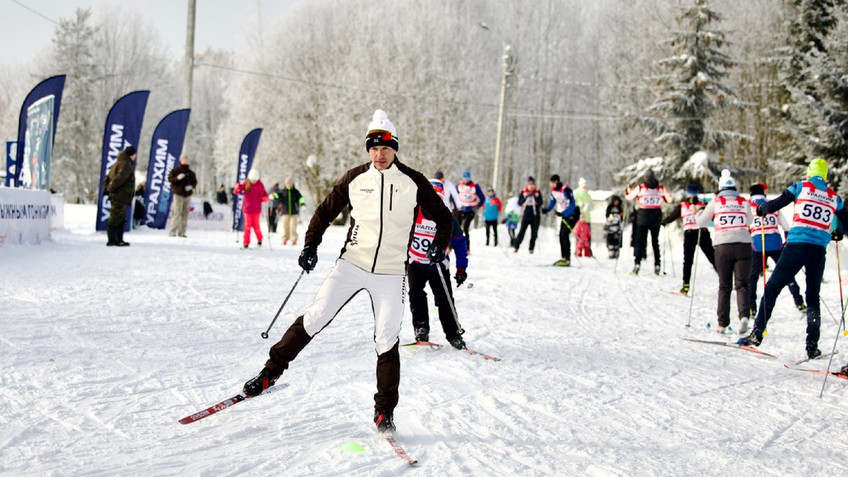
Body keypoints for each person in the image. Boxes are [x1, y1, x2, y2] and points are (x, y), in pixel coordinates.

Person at [242, 110, 453, 437]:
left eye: (385, 148)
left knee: (387, 338)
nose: (379, 155)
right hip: (351, 264)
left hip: (391, 272)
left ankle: (384, 412)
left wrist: (441, 244)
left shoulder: (413, 182)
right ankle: (270, 373)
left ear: (395, 148)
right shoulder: (355, 178)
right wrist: (310, 245)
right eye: (373, 148)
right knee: (314, 317)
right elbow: (324, 211)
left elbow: (444, 218)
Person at [739, 159, 848, 358]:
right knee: (813, 297)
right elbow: (845, 223)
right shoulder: (834, 197)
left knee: (772, 288)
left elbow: (777, 203)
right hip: (818, 251)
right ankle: (812, 346)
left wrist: (763, 209)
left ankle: (757, 333)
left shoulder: (801, 187)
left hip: (797, 246)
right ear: (824, 176)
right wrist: (838, 232)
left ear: (809, 173)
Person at [408, 179, 470, 349]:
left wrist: (461, 269)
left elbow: (460, 244)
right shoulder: (412, 212)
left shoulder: (448, 219)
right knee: (416, 294)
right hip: (416, 262)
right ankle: (421, 328)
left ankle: (454, 334)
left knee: (444, 300)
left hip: (438, 267)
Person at [695, 170, 752, 333]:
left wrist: (699, 213)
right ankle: (744, 317)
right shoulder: (743, 201)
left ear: (720, 188)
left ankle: (722, 324)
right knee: (742, 285)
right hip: (744, 245)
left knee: (724, 286)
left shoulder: (716, 202)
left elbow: (701, 222)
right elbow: (750, 220)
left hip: (723, 246)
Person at [747, 182, 806, 316]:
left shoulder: (748, 206)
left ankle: (751, 307)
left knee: (753, 277)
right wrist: (787, 240)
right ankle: (799, 301)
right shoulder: (772, 205)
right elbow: (785, 226)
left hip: (757, 245)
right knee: (787, 273)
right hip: (776, 244)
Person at [661, 184, 716, 295]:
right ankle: (686, 286)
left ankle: (686, 286)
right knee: (705, 258)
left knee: (703, 259)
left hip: (698, 233)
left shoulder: (700, 204)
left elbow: (672, 217)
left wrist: (664, 221)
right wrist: (665, 221)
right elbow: (672, 217)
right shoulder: (690, 205)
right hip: (696, 233)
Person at [625, 169, 673, 275]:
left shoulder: (641, 188)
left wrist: (628, 190)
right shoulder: (661, 188)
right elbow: (669, 200)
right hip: (656, 217)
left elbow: (629, 197)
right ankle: (657, 265)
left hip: (643, 217)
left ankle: (637, 264)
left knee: (640, 241)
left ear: (645, 178)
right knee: (655, 242)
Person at [103, 146, 137, 246]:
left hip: (118, 195)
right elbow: (120, 178)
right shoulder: (126, 164)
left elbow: (108, 177)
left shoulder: (118, 163)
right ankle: (113, 239)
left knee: (118, 217)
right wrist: (111, 188)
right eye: (134, 155)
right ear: (130, 155)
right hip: (120, 195)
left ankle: (117, 239)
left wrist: (107, 188)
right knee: (117, 217)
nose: (135, 157)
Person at [542, 174, 579, 266]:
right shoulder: (554, 191)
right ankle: (564, 257)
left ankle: (567, 258)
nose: (551, 185)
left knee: (564, 234)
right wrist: (547, 209)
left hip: (573, 213)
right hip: (565, 214)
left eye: (552, 183)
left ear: (556, 182)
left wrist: (564, 213)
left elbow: (573, 205)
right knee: (561, 235)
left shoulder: (566, 189)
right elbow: (552, 201)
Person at [233, 168, 269, 249]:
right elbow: (236, 191)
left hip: (256, 209)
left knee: (256, 226)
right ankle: (246, 243)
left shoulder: (260, 185)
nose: (253, 181)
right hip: (247, 209)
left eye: (255, 180)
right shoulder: (246, 183)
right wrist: (237, 186)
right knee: (247, 226)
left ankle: (260, 240)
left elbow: (265, 196)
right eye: (252, 179)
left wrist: (265, 198)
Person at [167, 154, 197, 238]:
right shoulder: (175, 171)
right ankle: (172, 231)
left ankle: (182, 231)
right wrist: (177, 178)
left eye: (187, 160)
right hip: (178, 194)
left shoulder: (191, 172)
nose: (185, 161)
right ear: (180, 160)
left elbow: (194, 182)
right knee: (177, 212)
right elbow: (170, 180)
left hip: (187, 194)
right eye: (184, 160)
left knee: (185, 213)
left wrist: (191, 187)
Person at [455, 170, 485, 252]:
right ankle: (453, 247)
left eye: (468, 178)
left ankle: (467, 248)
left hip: (470, 210)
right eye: (465, 178)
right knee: (457, 228)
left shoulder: (475, 186)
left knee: (465, 228)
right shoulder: (459, 185)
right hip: (461, 209)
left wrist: (478, 206)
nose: (466, 180)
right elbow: (453, 194)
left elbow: (482, 197)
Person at [512, 177, 544, 254]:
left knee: (534, 233)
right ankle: (516, 246)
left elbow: (540, 203)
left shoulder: (537, 192)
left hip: (535, 215)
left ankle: (531, 248)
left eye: (532, 185)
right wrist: (526, 196)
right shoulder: (523, 192)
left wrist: (534, 197)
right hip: (526, 214)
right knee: (522, 232)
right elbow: (519, 203)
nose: (531, 186)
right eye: (530, 185)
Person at [278, 178, 305, 245]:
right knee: (285, 226)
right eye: (287, 183)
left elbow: (301, 198)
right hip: (285, 212)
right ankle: (285, 239)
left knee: (293, 226)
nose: (288, 184)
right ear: (285, 184)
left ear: (292, 184)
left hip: (294, 212)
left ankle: (293, 239)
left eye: (290, 183)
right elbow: (277, 196)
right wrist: (273, 196)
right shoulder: (283, 191)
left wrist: (303, 204)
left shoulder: (296, 192)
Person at [573, 177, 594, 257]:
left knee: (588, 236)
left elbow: (593, 205)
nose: (585, 188)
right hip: (579, 219)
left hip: (587, 219)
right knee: (579, 236)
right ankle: (578, 250)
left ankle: (588, 251)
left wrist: (589, 206)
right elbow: (574, 204)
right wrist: (582, 205)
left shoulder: (588, 195)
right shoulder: (576, 193)